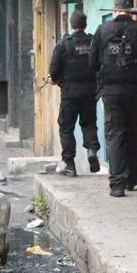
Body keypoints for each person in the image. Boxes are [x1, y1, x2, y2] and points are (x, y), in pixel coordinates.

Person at [90, 0, 137, 197]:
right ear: (132, 8)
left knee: (115, 133)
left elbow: (92, 61)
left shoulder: (103, 30)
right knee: (132, 131)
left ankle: (117, 184)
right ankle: (131, 178)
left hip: (111, 91)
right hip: (136, 89)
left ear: (115, 8)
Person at [47, 10, 102, 177]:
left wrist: (53, 79)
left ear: (71, 25)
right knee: (89, 123)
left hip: (70, 93)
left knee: (66, 127)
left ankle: (70, 165)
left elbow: (54, 71)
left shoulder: (64, 44)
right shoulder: (93, 42)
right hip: (90, 91)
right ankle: (92, 150)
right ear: (85, 25)